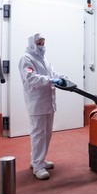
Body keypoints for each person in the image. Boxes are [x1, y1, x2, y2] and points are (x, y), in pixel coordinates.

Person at [18, 33, 67, 180]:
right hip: (36, 102)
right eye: (39, 43)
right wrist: (52, 80)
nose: (41, 45)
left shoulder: (44, 58)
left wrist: (62, 77)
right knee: (38, 134)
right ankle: (37, 166)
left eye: (43, 42)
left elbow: (52, 73)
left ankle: (40, 159)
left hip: (48, 101)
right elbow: (31, 78)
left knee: (47, 133)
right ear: (32, 44)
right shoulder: (26, 59)